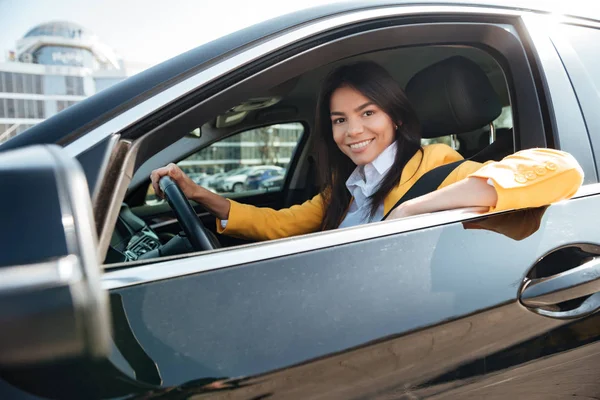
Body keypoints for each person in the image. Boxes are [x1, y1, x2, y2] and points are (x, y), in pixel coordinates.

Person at [150, 61, 584, 242]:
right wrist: (200, 195)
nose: (352, 131)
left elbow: (559, 169)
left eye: (367, 112)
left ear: (395, 117)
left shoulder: (436, 165)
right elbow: (281, 223)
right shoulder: (349, 186)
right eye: (339, 120)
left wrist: (415, 210)